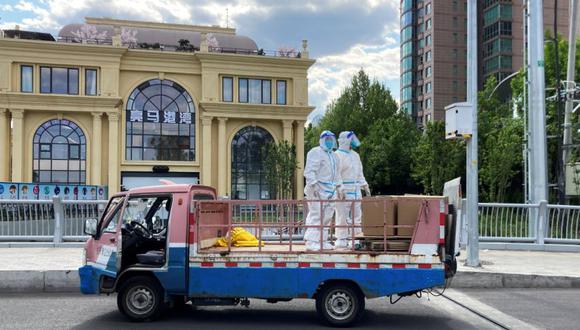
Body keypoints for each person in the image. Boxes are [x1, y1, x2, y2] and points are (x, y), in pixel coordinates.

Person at [303, 131, 344, 251]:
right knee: (316, 215)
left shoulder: (334, 156)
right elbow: (309, 170)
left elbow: (337, 174)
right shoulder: (315, 152)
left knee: (327, 216)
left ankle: (322, 241)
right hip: (317, 189)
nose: (330, 142)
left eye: (331, 139)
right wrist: (313, 184)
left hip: (330, 190)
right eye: (327, 139)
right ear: (322, 140)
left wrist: (340, 186)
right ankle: (311, 241)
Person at [334, 131, 371, 248]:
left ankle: (356, 239)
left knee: (357, 217)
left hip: (355, 189)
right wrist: (339, 187)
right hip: (343, 190)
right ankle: (341, 238)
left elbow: (359, 172)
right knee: (342, 216)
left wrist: (364, 184)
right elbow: (336, 174)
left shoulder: (355, 155)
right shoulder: (337, 155)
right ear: (345, 140)